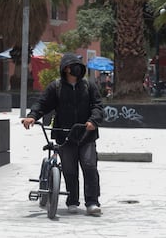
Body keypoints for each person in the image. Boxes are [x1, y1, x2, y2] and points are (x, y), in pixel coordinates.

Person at [21, 54, 104, 215]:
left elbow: (98, 106)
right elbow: (42, 103)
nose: (77, 69)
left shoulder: (89, 86)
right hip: (64, 135)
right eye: (74, 66)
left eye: (79, 66)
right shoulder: (56, 87)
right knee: (69, 169)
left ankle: (92, 202)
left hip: (86, 134)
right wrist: (32, 116)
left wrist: (94, 121)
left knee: (89, 166)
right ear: (66, 69)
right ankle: (72, 200)